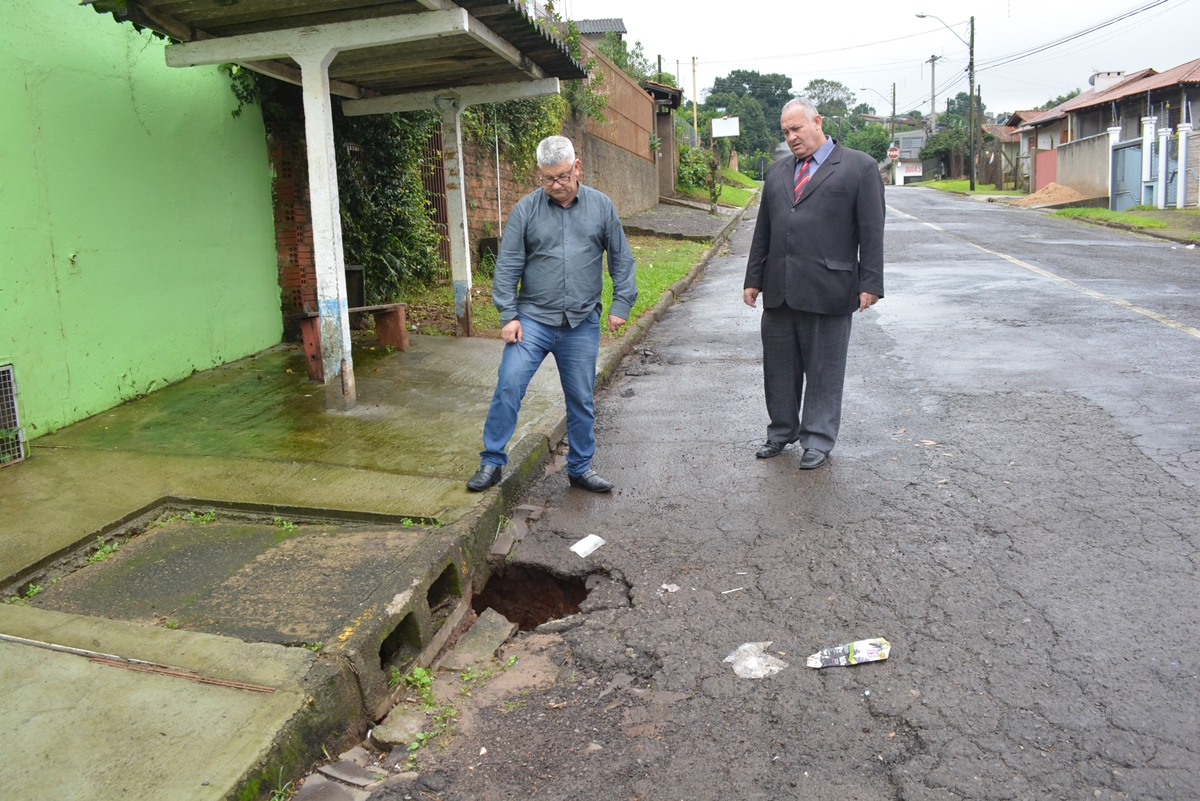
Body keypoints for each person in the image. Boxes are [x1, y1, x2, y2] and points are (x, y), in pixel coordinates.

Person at [466, 136, 637, 493]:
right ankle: (491, 462)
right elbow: (508, 264)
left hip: (581, 323)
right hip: (532, 320)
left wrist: (621, 305)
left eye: (562, 176)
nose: (556, 186)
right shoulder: (526, 209)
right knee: (509, 384)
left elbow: (621, 260)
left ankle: (579, 468)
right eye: (548, 179)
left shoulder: (602, 207)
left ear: (577, 167)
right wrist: (508, 314)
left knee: (580, 397)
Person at [743, 96, 885, 470]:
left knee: (824, 369)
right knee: (778, 368)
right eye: (786, 131)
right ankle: (781, 432)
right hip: (780, 288)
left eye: (797, 128)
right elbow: (764, 230)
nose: (791, 137)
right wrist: (753, 279)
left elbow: (872, 231)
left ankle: (818, 439)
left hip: (830, 288)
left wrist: (869, 281)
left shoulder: (859, 167)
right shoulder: (777, 172)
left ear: (817, 122)